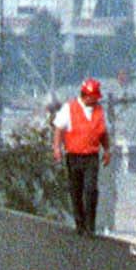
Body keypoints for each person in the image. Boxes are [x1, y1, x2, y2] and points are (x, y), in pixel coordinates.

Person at [54, 78, 109, 235]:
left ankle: (90, 225)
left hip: (91, 156)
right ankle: (80, 223)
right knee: (75, 190)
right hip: (73, 155)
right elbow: (59, 128)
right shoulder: (69, 109)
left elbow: (104, 133)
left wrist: (107, 150)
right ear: (86, 96)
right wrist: (57, 148)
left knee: (91, 189)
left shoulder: (100, 112)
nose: (96, 100)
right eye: (94, 97)